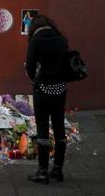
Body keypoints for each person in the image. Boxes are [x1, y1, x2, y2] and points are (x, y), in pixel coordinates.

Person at [25, 15, 68, 184]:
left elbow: (30, 66)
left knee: (43, 129)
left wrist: (34, 79)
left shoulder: (36, 41)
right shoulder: (61, 39)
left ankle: (42, 171)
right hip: (60, 88)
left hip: (42, 88)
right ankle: (57, 169)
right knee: (59, 128)